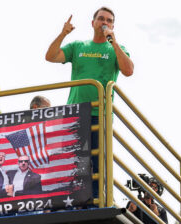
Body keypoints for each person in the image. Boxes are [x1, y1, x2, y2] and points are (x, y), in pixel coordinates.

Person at [45, 6, 134, 198]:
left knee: (96, 160)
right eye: (101, 19)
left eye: (109, 21)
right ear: (92, 23)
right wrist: (62, 34)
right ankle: (73, 201)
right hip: (75, 112)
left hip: (99, 114)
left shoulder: (116, 49)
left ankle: (96, 200)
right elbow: (50, 56)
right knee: (73, 160)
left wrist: (115, 43)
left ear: (113, 26)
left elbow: (128, 70)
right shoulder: (78, 46)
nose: (104, 23)